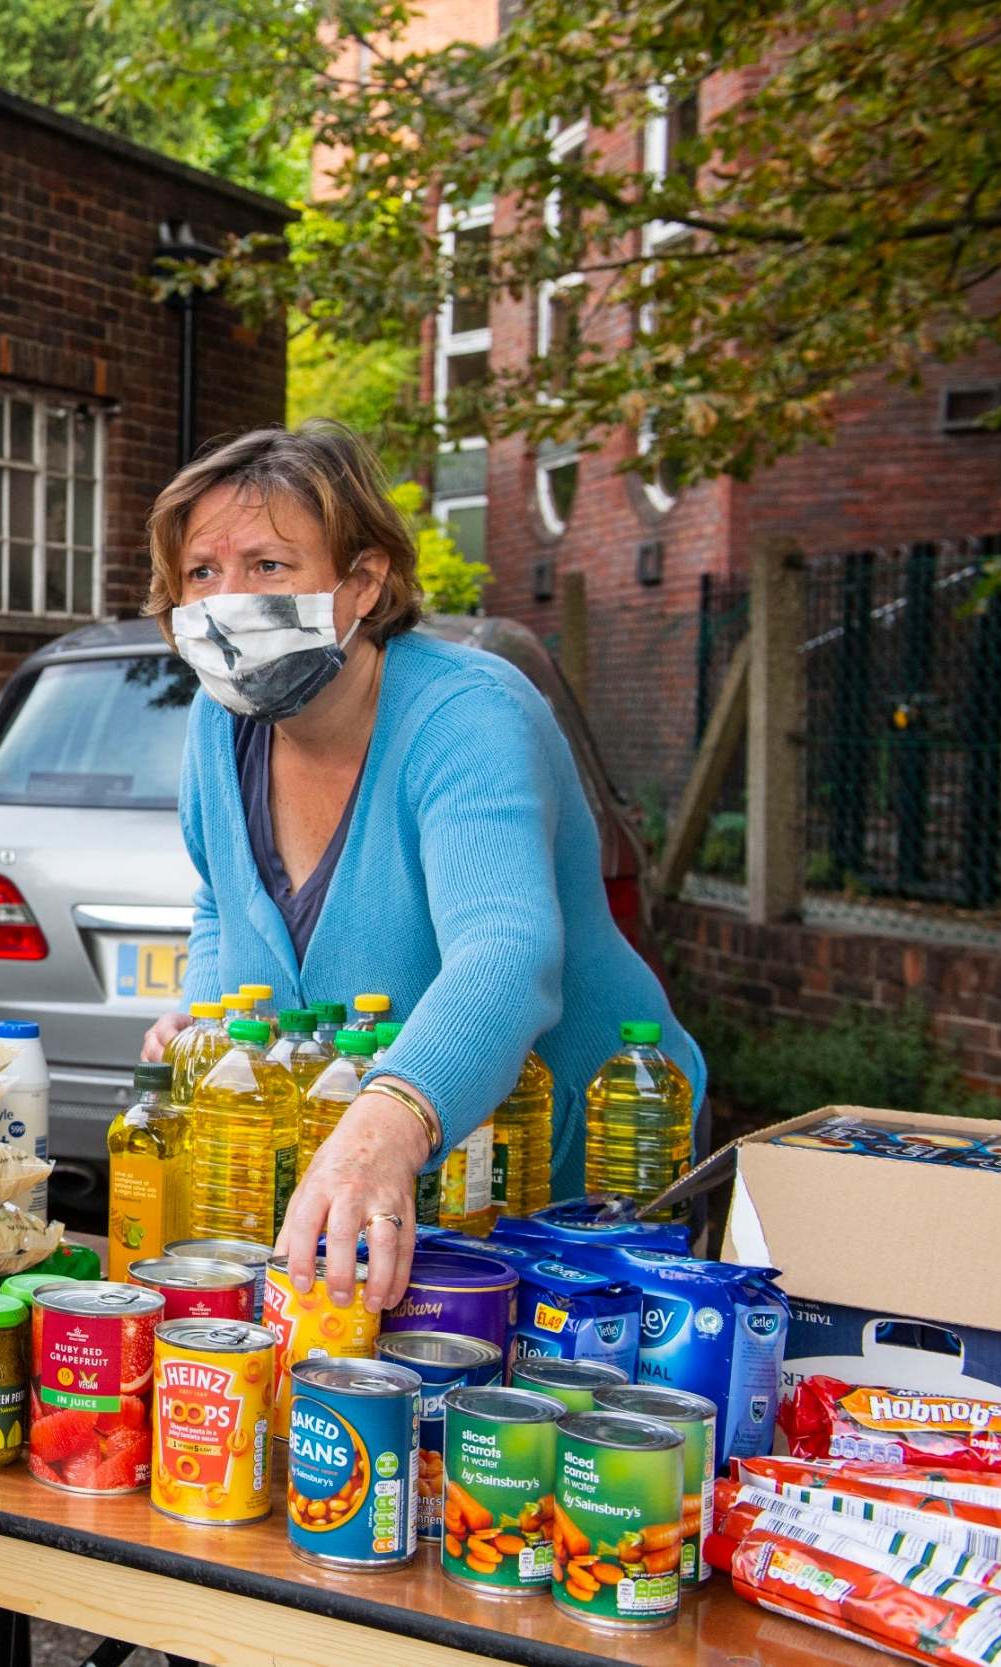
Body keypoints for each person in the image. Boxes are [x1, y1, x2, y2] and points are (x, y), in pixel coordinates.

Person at [139, 422, 704, 1315]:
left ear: (363, 582)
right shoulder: (223, 726)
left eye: (269, 567)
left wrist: (388, 1121)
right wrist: (218, 1028)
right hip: (396, 1195)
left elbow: (505, 953)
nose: (226, 599)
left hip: (584, 1167)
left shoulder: (466, 713)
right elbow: (222, 900)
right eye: (202, 572)